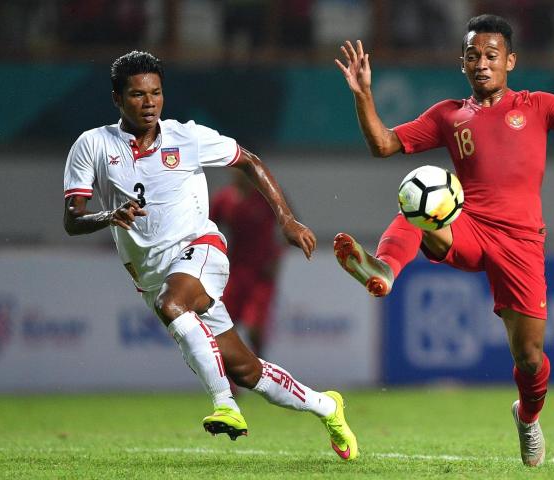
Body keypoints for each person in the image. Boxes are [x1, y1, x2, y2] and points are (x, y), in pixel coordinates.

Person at [334, 14, 554, 467]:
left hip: (521, 244)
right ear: (462, 63)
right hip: (467, 227)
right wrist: (363, 97)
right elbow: (384, 145)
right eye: (473, 56)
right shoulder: (448, 115)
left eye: (491, 56)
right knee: (420, 200)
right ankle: (384, 269)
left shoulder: (538, 106)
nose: (482, 64)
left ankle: (528, 417)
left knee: (529, 359)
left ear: (510, 61)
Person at [63, 50, 357, 460]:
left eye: (156, 93)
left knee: (173, 303)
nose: (149, 103)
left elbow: (249, 162)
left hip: (201, 250)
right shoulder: (92, 145)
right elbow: (73, 219)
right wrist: (108, 216)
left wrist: (286, 219)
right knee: (246, 369)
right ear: (117, 99)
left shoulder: (187, 137)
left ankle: (225, 405)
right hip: (152, 276)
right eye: (137, 95)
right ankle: (327, 406)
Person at [210, 169, 284, 355]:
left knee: (254, 329)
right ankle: (229, 378)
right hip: (235, 272)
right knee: (223, 327)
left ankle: (261, 373)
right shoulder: (224, 198)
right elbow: (207, 227)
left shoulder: (267, 195)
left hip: (261, 274)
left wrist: (276, 258)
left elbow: (290, 225)